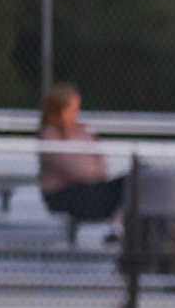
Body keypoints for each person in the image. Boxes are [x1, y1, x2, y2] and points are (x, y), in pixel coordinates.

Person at [37, 83, 126, 225]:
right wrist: (91, 167)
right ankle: (119, 225)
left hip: (91, 188)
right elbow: (77, 171)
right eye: (71, 110)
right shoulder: (50, 136)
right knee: (120, 194)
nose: (75, 114)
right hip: (65, 194)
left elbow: (101, 165)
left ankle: (120, 226)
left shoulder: (83, 131)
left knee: (133, 181)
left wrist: (90, 167)